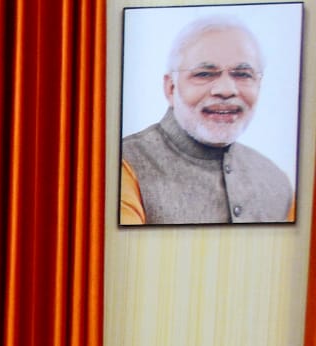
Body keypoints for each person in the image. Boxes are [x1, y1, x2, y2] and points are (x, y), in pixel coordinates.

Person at [120, 16, 293, 225]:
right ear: (171, 88)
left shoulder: (277, 182)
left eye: (243, 74)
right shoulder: (122, 164)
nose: (226, 90)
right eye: (204, 74)